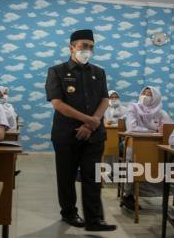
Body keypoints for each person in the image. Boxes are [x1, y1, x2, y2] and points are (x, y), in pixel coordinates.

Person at [45, 29, 116, 231]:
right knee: (66, 177)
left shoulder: (98, 72)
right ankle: (69, 213)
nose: (88, 50)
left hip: (94, 136)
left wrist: (91, 124)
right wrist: (89, 120)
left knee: (92, 177)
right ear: (72, 47)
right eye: (83, 46)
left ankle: (94, 220)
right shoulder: (57, 71)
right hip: (66, 135)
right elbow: (57, 103)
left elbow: (105, 99)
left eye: (91, 47)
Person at [122, 86, 173, 210]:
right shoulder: (133, 108)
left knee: (171, 161)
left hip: (155, 147)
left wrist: (157, 131)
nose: (145, 96)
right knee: (132, 163)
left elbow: (169, 130)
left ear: (156, 98)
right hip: (134, 144)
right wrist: (153, 130)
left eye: (149, 94)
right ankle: (127, 195)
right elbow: (132, 128)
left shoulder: (161, 112)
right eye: (143, 93)